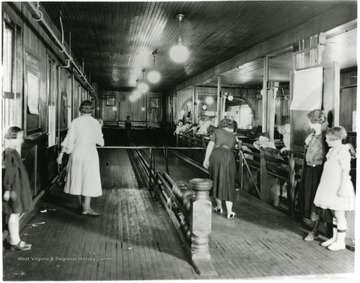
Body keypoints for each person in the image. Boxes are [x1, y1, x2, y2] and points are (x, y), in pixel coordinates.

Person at [57, 100, 104, 216]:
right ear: (92, 111)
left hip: (77, 154)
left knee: (78, 179)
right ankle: (86, 208)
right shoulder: (95, 123)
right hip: (90, 154)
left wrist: (61, 155)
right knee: (88, 180)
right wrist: (100, 127)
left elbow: (69, 139)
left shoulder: (75, 122)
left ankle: (82, 206)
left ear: (80, 110)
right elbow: (100, 142)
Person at [314, 126, 355, 251]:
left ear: (335, 138)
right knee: (334, 212)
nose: (326, 140)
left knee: (339, 213)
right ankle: (335, 237)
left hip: (339, 186)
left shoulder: (343, 151)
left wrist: (342, 187)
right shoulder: (332, 151)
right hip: (330, 185)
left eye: (327, 138)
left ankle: (341, 242)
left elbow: (345, 170)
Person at [2, 126, 33, 250]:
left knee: (16, 213)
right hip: (14, 189)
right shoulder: (9, 153)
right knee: (14, 214)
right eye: (20, 138)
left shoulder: (13, 152)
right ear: (12, 138)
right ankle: (14, 242)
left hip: (17, 188)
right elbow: (8, 174)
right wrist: (8, 190)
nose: (21, 141)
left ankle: (14, 240)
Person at [203, 118, 237, 219]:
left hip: (216, 155)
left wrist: (206, 159)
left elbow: (210, 145)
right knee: (228, 182)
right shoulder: (234, 136)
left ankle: (219, 207)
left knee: (216, 179)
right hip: (229, 158)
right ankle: (230, 212)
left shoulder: (216, 132)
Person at [301, 109, 327, 241]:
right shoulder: (314, 135)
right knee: (310, 197)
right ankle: (313, 227)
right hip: (310, 169)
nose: (308, 123)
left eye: (309, 121)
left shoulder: (324, 136)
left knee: (316, 200)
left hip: (318, 171)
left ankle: (315, 230)